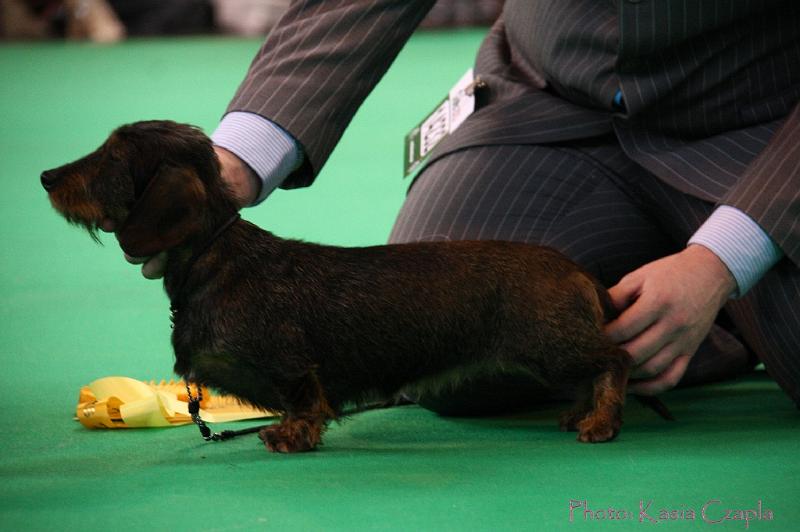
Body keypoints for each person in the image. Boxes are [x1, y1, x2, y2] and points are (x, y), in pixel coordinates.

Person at [116, 1, 800, 414]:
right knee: (434, 354)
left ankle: (731, 307)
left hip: (763, 122)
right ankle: (698, 322)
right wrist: (233, 161)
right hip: (553, 95)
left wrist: (724, 260)